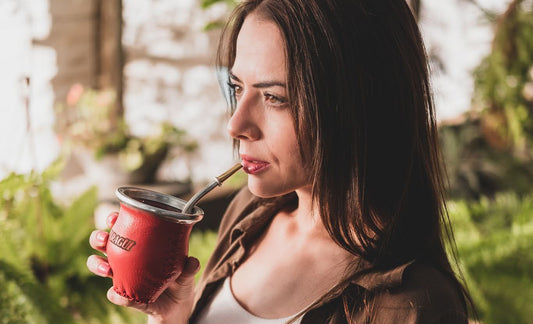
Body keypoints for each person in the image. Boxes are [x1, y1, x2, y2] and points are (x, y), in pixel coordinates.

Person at [87, 0, 473, 323]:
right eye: (237, 88)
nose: (235, 124)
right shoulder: (250, 216)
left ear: (357, 109)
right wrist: (172, 317)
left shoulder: (411, 305)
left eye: (274, 97)